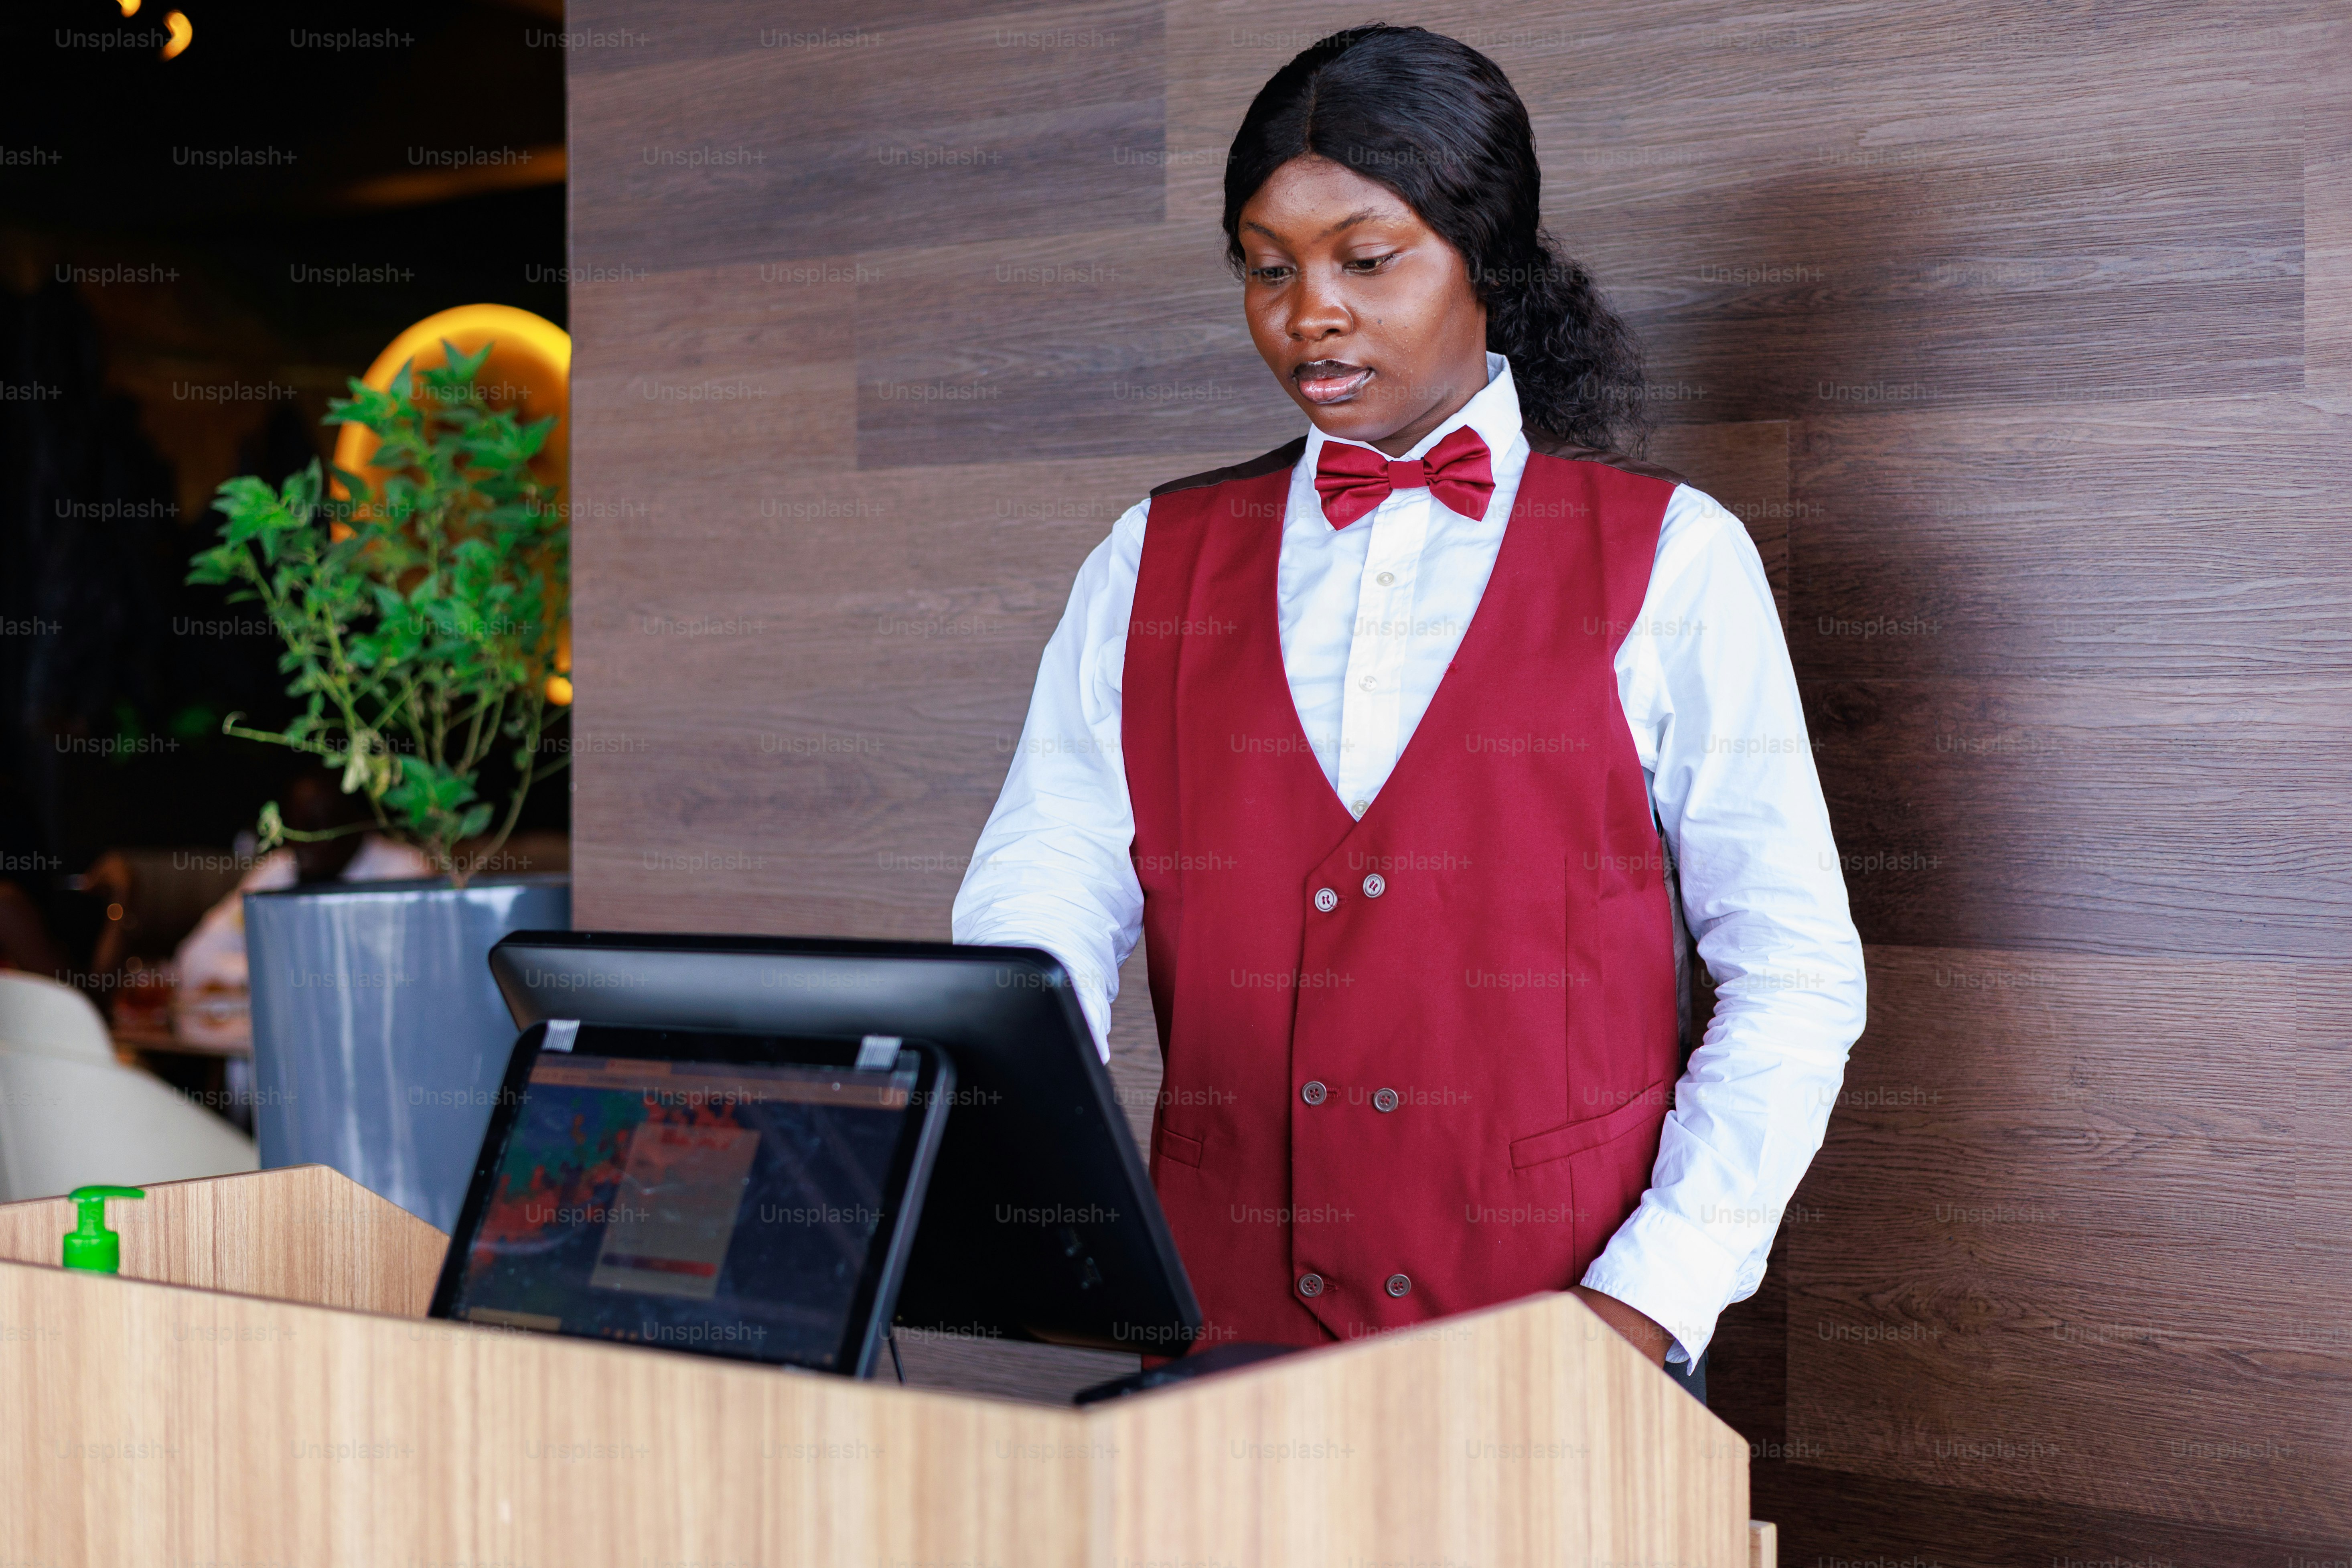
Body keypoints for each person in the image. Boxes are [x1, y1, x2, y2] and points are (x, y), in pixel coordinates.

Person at [953, 24, 1865, 1392]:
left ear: (1485, 259)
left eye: (1365, 262)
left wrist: (1649, 1301)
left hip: (1557, 1337)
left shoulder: (1677, 556)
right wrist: (1046, 1182)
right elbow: (1043, 893)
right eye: (1268, 268)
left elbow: (1795, 972)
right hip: (1217, 1321)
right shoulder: (1151, 559)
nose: (1308, 312)